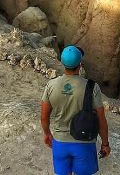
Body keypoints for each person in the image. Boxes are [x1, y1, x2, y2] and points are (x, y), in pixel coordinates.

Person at [41, 46, 110, 175]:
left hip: (60, 143)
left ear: (62, 62)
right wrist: (105, 144)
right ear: (80, 64)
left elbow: (44, 117)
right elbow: (101, 120)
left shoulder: (51, 85)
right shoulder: (92, 87)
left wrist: (47, 134)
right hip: (84, 143)